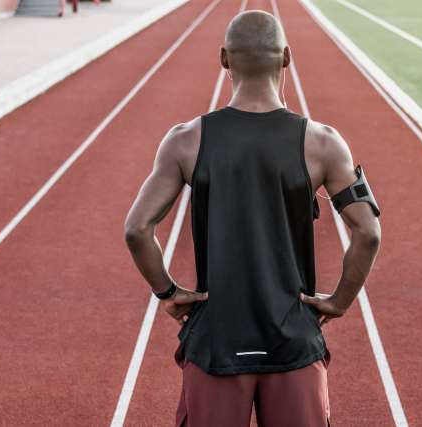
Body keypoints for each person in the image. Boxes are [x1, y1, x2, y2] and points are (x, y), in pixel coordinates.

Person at [123, 10, 382, 427]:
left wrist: (168, 293)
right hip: (293, 341)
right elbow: (368, 233)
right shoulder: (323, 143)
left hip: (217, 339)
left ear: (224, 59)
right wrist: (337, 303)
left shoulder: (185, 140)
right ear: (287, 58)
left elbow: (137, 230)